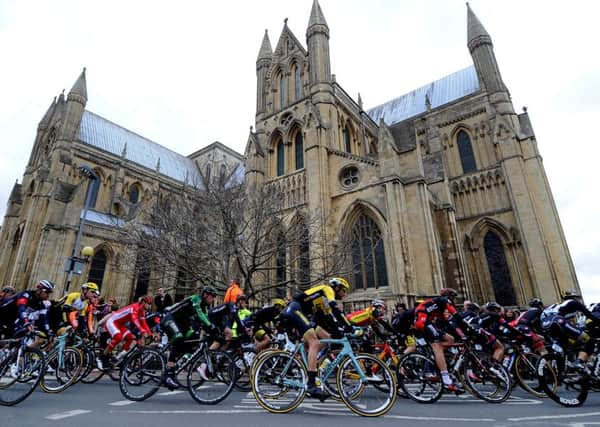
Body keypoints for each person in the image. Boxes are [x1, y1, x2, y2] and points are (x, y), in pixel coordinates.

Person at [279, 277, 353, 400]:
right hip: (294, 310)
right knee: (314, 342)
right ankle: (311, 383)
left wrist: (339, 332)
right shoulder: (328, 289)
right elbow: (335, 310)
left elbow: (328, 318)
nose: (345, 294)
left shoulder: (322, 302)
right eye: (344, 291)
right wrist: (349, 326)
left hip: (300, 313)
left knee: (327, 337)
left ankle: (314, 364)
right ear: (337, 287)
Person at [160, 286, 218, 389]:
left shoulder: (204, 307)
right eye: (212, 297)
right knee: (178, 338)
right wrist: (210, 325)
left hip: (183, 324)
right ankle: (168, 374)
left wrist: (215, 331)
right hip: (170, 319)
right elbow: (199, 314)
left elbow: (205, 319)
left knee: (193, 338)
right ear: (205, 295)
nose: (213, 299)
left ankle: (175, 364)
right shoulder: (196, 299)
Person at [413, 288, 465, 394]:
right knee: (437, 346)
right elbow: (457, 316)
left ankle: (436, 356)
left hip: (426, 321)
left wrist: (461, 334)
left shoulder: (439, 306)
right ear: (449, 296)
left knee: (450, 339)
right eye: (453, 298)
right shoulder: (444, 301)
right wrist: (469, 329)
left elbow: (449, 323)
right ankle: (446, 379)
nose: (454, 300)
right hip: (423, 320)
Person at [540, 291, 600, 372]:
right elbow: (589, 315)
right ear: (574, 297)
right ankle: (579, 362)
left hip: (545, 324)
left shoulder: (556, 305)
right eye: (577, 298)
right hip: (558, 321)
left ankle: (563, 369)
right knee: (589, 340)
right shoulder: (574, 302)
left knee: (565, 345)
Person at [100, 295, 153, 368]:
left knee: (130, 338)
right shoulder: (134, 307)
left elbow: (144, 323)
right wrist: (142, 330)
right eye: (149, 304)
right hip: (112, 321)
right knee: (118, 337)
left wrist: (150, 334)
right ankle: (102, 357)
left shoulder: (142, 311)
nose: (150, 306)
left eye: (151, 304)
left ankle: (118, 358)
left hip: (120, 324)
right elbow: (135, 320)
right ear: (143, 302)